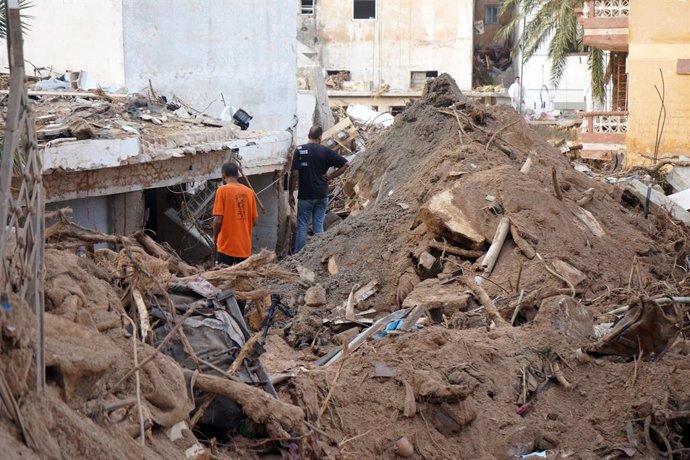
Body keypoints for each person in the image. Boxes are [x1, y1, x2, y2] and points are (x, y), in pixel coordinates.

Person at [289, 125, 349, 253]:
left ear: (308, 136)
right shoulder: (326, 151)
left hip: (305, 195)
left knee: (302, 226)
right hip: (322, 195)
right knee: (318, 225)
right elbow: (346, 164)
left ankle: (297, 257)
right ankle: (318, 255)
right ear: (320, 137)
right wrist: (331, 176)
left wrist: (290, 194)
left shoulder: (300, 150)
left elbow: (294, 174)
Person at [212, 162, 258, 266]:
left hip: (226, 246)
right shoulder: (249, 192)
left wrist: (215, 236)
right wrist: (242, 227)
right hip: (244, 247)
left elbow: (218, 220)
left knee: (223, 278)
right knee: (242, 280)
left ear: (223, 175)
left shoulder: (222, 190)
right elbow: (255, 220)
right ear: (237, 175)